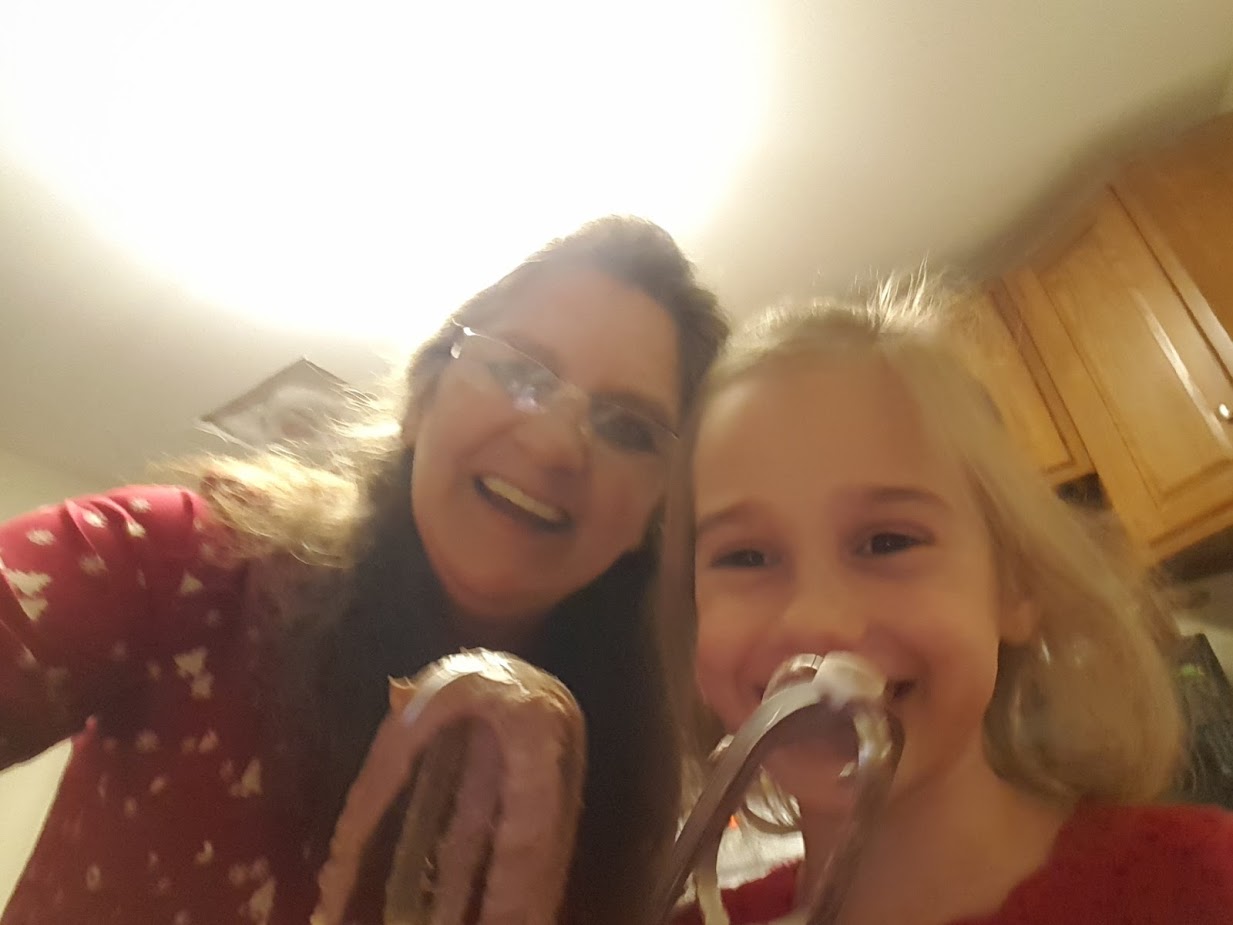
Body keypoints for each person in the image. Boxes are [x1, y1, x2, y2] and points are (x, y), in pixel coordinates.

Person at [0, 216, 729, 925]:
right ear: (421, 400)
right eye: (517, 372)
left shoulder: (631, 816)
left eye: (627, 428)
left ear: (657, 514)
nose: (552, 446)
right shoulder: (179, 563)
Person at [661, 281, 1233, 925]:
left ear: (1013, 583)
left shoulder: (1202, 886)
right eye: (745, 556)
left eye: (887, 541)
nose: (816, 620)